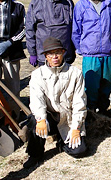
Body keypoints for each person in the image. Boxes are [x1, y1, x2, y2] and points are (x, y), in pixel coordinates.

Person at [23, 37, 87, 169]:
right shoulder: (37, 75)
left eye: (58, 52)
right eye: (51, 53)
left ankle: (61, 141)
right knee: (34, 121)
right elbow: (36, 100)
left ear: (63, 52)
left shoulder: (75, 73)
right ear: (46, 56)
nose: (55, 57)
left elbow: (79, 103)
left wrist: (76, 128)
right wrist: (41, 118)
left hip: (67, 117)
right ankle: (35, 154)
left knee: (79, 151)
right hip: (49, 117)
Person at [26, 0, 75, 67]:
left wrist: (73, 50)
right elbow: (30, 30)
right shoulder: (36, 3)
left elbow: (74, 29)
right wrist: (32, 53)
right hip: (44, 55)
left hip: (65, 55)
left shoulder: (68, 3)